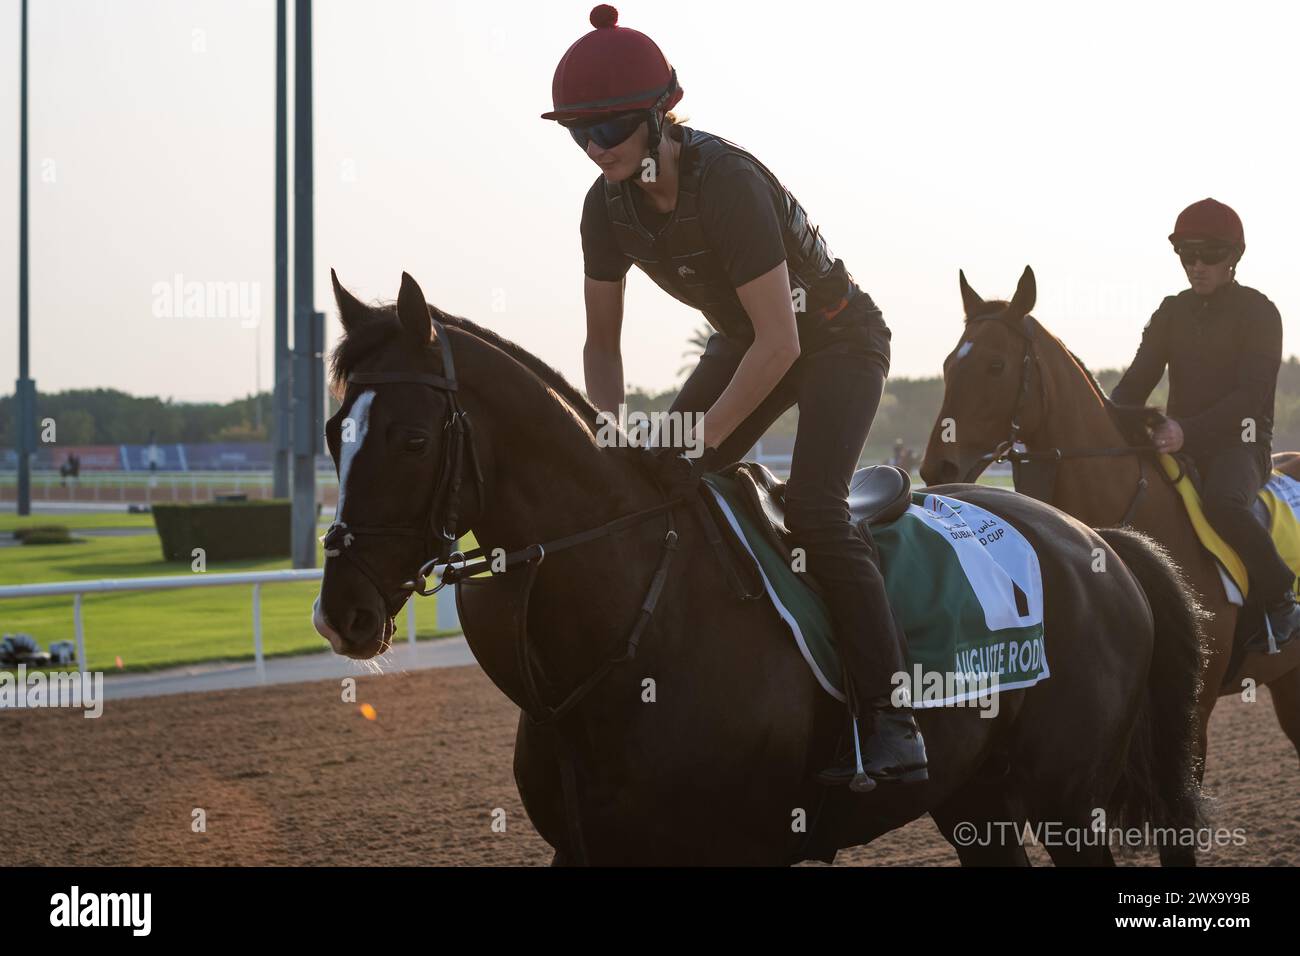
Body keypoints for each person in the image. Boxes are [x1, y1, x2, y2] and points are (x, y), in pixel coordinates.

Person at [542, 5, 927, 790]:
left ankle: (893, 718)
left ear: (658, 117)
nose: (596, 148)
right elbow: (602, 346)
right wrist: (609, 432)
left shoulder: (730, 184)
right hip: (746, 340)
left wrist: (696, 435)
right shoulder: (601, 208)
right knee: (655, 487)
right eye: (579, 134)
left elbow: (782, 345)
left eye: (611, 129)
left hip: (835, 342)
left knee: (816, 508)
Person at [1112, 198, 1298, 650]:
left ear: (1234, 257)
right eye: (1186, 255)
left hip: (1241, 447)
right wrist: (1102, 418)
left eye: (1209, 255)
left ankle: (1282, 599)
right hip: (1179, 446)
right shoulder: (1170, 312)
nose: (1197, 266)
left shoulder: (1260, 312)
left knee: (1222, 503)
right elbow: (1133, 386)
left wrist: (1186, 431)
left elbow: (1250, 397)